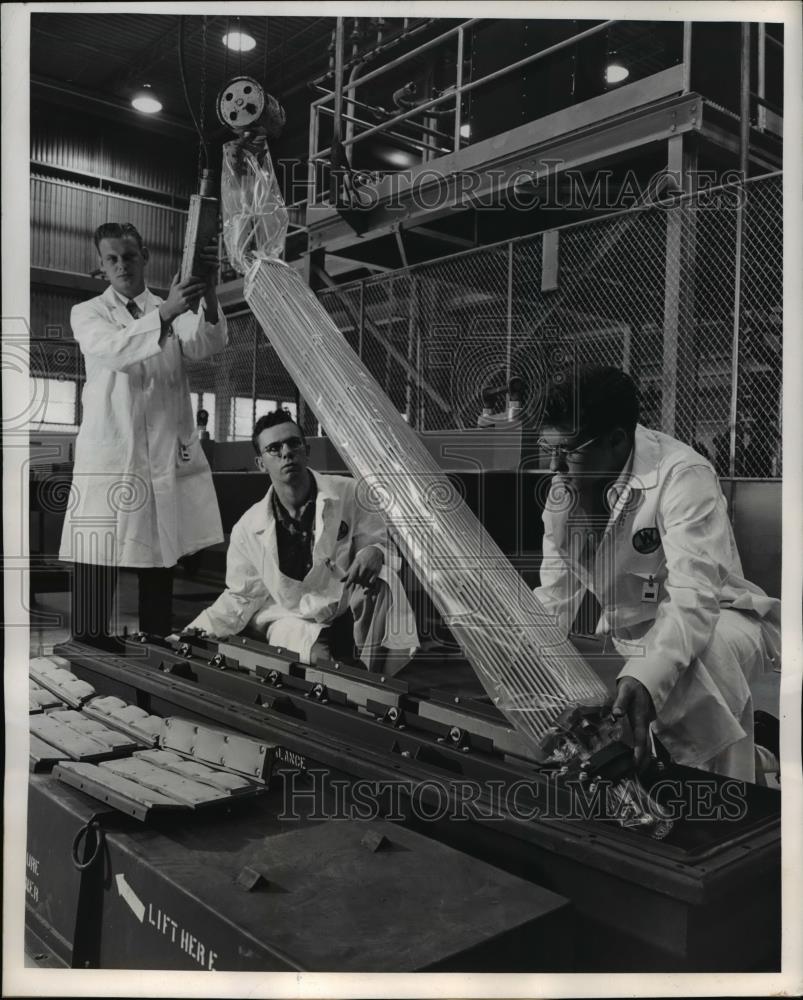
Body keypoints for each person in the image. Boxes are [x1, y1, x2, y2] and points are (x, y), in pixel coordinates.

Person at [533, 365, 780, 783]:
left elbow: (693, 598)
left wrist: (646, 676)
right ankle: (763, 753)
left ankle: (731, 801)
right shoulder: (565, 491)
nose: (555, 464)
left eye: (569, 450)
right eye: (547, 446)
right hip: (630, 631)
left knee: (698, 666)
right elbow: (554, 596)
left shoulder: (683, 475)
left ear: (616, 440)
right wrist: (519, 651)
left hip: (720, 617)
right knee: (638, 722)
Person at [59, 221, 228, 641]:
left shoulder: (169, 305)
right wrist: (167, 312)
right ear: (101, 266)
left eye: (129, 256)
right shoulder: (89, 313)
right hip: (111, 461)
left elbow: (207, 344)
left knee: (159, 563)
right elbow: (116, 351)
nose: (122, 266)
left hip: (159, 459)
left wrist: (205, 290)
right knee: (96, 564)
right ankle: (89, 653)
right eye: (112, 259)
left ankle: (156, 657)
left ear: (145, 256)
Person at [187, 410, 419, 673]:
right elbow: (240, 596)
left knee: (383, 578)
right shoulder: (248, 528)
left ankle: (377, 682)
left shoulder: (351, 492)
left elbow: (378, 542)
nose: (286, 452)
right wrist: (196, 631)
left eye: (293, 443)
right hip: (293, 614)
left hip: (344, 604)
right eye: (274, 448)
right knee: (324, 669)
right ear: (260, 463)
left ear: (306, 450)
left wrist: (374, 551)